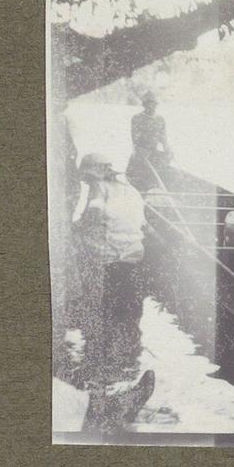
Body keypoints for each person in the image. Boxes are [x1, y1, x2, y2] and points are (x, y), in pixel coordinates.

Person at [73, 153, 148, 384]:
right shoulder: (131, 190)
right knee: (130, 310)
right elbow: (142, 222)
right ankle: (131, 361)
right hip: (134, 255)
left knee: (108, 310)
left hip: (110, 256)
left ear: (94, 172)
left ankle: (104, 371)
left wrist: (76, 227)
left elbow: (94, 212)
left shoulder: (99, 187)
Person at [126, 91, 173, 191]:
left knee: (165, 168)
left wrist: (168, 149)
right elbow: (135, 139)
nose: (151, 106)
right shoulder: (137, 118)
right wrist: (140, 151)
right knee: (139, 174)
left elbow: (164, 138)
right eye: (149, 104)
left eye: (154, 104)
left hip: (154, 153)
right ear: (144, 105)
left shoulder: (160, 119)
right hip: (141, 153)